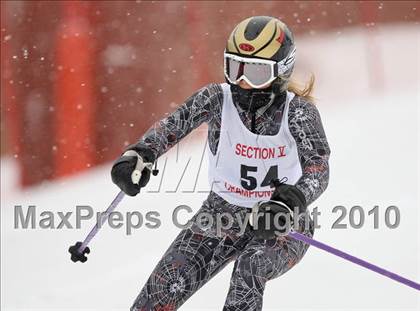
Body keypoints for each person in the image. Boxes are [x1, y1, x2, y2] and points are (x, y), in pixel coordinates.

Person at [111, 16, 330, 311]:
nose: (243, 81)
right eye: (235, 67)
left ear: (281, 71)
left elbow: (318, 167)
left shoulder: (298, 112)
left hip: (281, 222)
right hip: (220, 215)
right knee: (162, 292)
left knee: (249, 267)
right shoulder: (216, 98)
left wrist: (289, 203)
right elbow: (171, 127)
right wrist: (140, 155)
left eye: (255, 72)